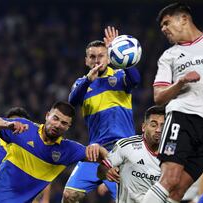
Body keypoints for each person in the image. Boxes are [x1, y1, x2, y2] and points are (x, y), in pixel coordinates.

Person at [0, 101, 106, 203]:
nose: (57, 125)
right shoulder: (24, 128)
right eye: (55, 118)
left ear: (68, 127)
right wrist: (7, 124)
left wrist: (97, 148)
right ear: (47, 115)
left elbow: (104, 156)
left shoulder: (68, 150)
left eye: (64, 123)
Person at [63, 26, 141, 202]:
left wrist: (117, 48)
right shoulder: (81, 84)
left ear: (109, 57)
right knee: (69, 195)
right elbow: (72, 101)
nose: (96, 60)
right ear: (86, 60)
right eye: (92, 57)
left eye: (101, 55)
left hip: (123, 150)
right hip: (96, 151)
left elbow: (136, 80)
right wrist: (88, 80)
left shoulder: (121, 76)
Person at [142, 2, 203, 203]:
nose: (163, 29)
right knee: (169, 179)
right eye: (161, 27)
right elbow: (158, 96)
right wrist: (181, 81)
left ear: (184, 18)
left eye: (167, 23)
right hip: (182, 118)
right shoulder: (169, 56)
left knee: (178, 192)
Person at [96, 106, 165, 203]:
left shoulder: (173, 155)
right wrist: (107, 172)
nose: (158, 130)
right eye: (153, 125)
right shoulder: (127, 146)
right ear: (144, 127)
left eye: (163, 126)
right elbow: (101, 170)